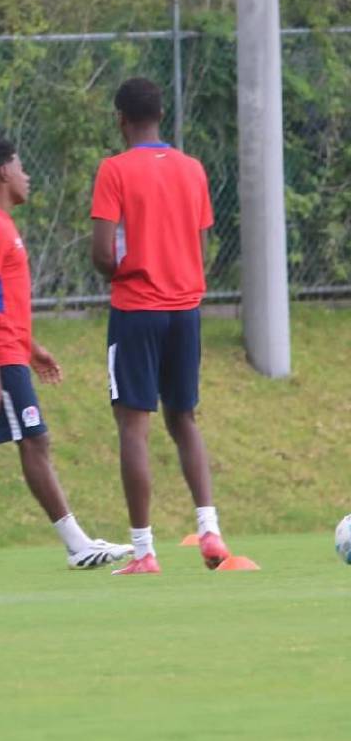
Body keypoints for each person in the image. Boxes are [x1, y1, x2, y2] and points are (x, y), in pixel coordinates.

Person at [0, 140, 132, 577]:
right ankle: (76, 545)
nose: (26, 175)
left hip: (1, 351)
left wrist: (30, 347)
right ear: (2, 172)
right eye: (20, 166)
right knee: (34, 442)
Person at [91, 77, 230, 575]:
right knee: (184, 418)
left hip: (137, 308)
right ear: (161, 116)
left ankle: (144, 550)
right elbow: (201, 241)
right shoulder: (192, 170)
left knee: (134, 424)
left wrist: (119, 270)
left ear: (121, 119)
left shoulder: (115, 170)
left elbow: (103, 253)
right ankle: (210, 529)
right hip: (185, 307)